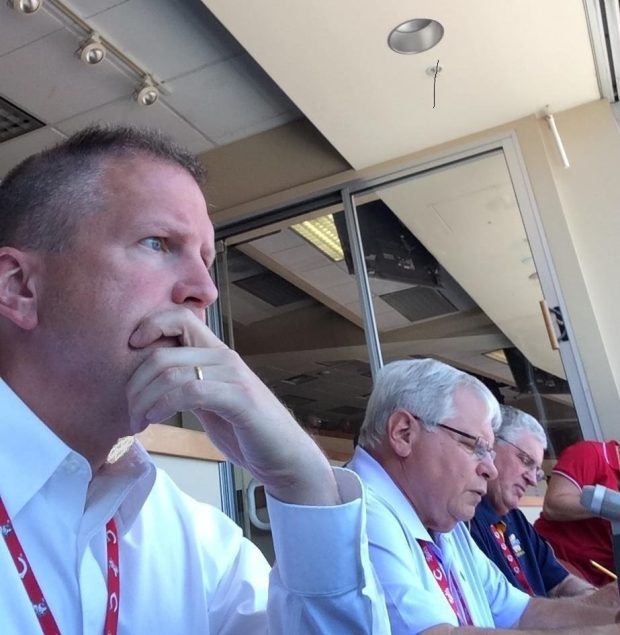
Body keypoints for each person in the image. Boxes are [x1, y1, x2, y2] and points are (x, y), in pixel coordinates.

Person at [0, 125, 388, 634]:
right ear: (20, 287)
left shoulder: (195, 538)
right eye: (158, 243)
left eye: (206, 260)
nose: (205, 290)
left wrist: (304, 485)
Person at [348, 358, 620, 634]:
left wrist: (611, 606)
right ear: (404, 433)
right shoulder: (356, 513)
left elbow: (520, 613)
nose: (490, 469)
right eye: (473, 446)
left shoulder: (443, 523)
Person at [470, 406, 617, 603]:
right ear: (491, 444)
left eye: (537, 471)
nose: (532, 480)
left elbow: (561, 582)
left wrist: (599, 602)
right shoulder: (464, 517)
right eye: (525, 460)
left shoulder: (516, 519)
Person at [534, 439, 620, 587]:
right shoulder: (592, 453)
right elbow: (553, 505)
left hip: (602, 581)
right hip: (553, 562)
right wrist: (609, 505)